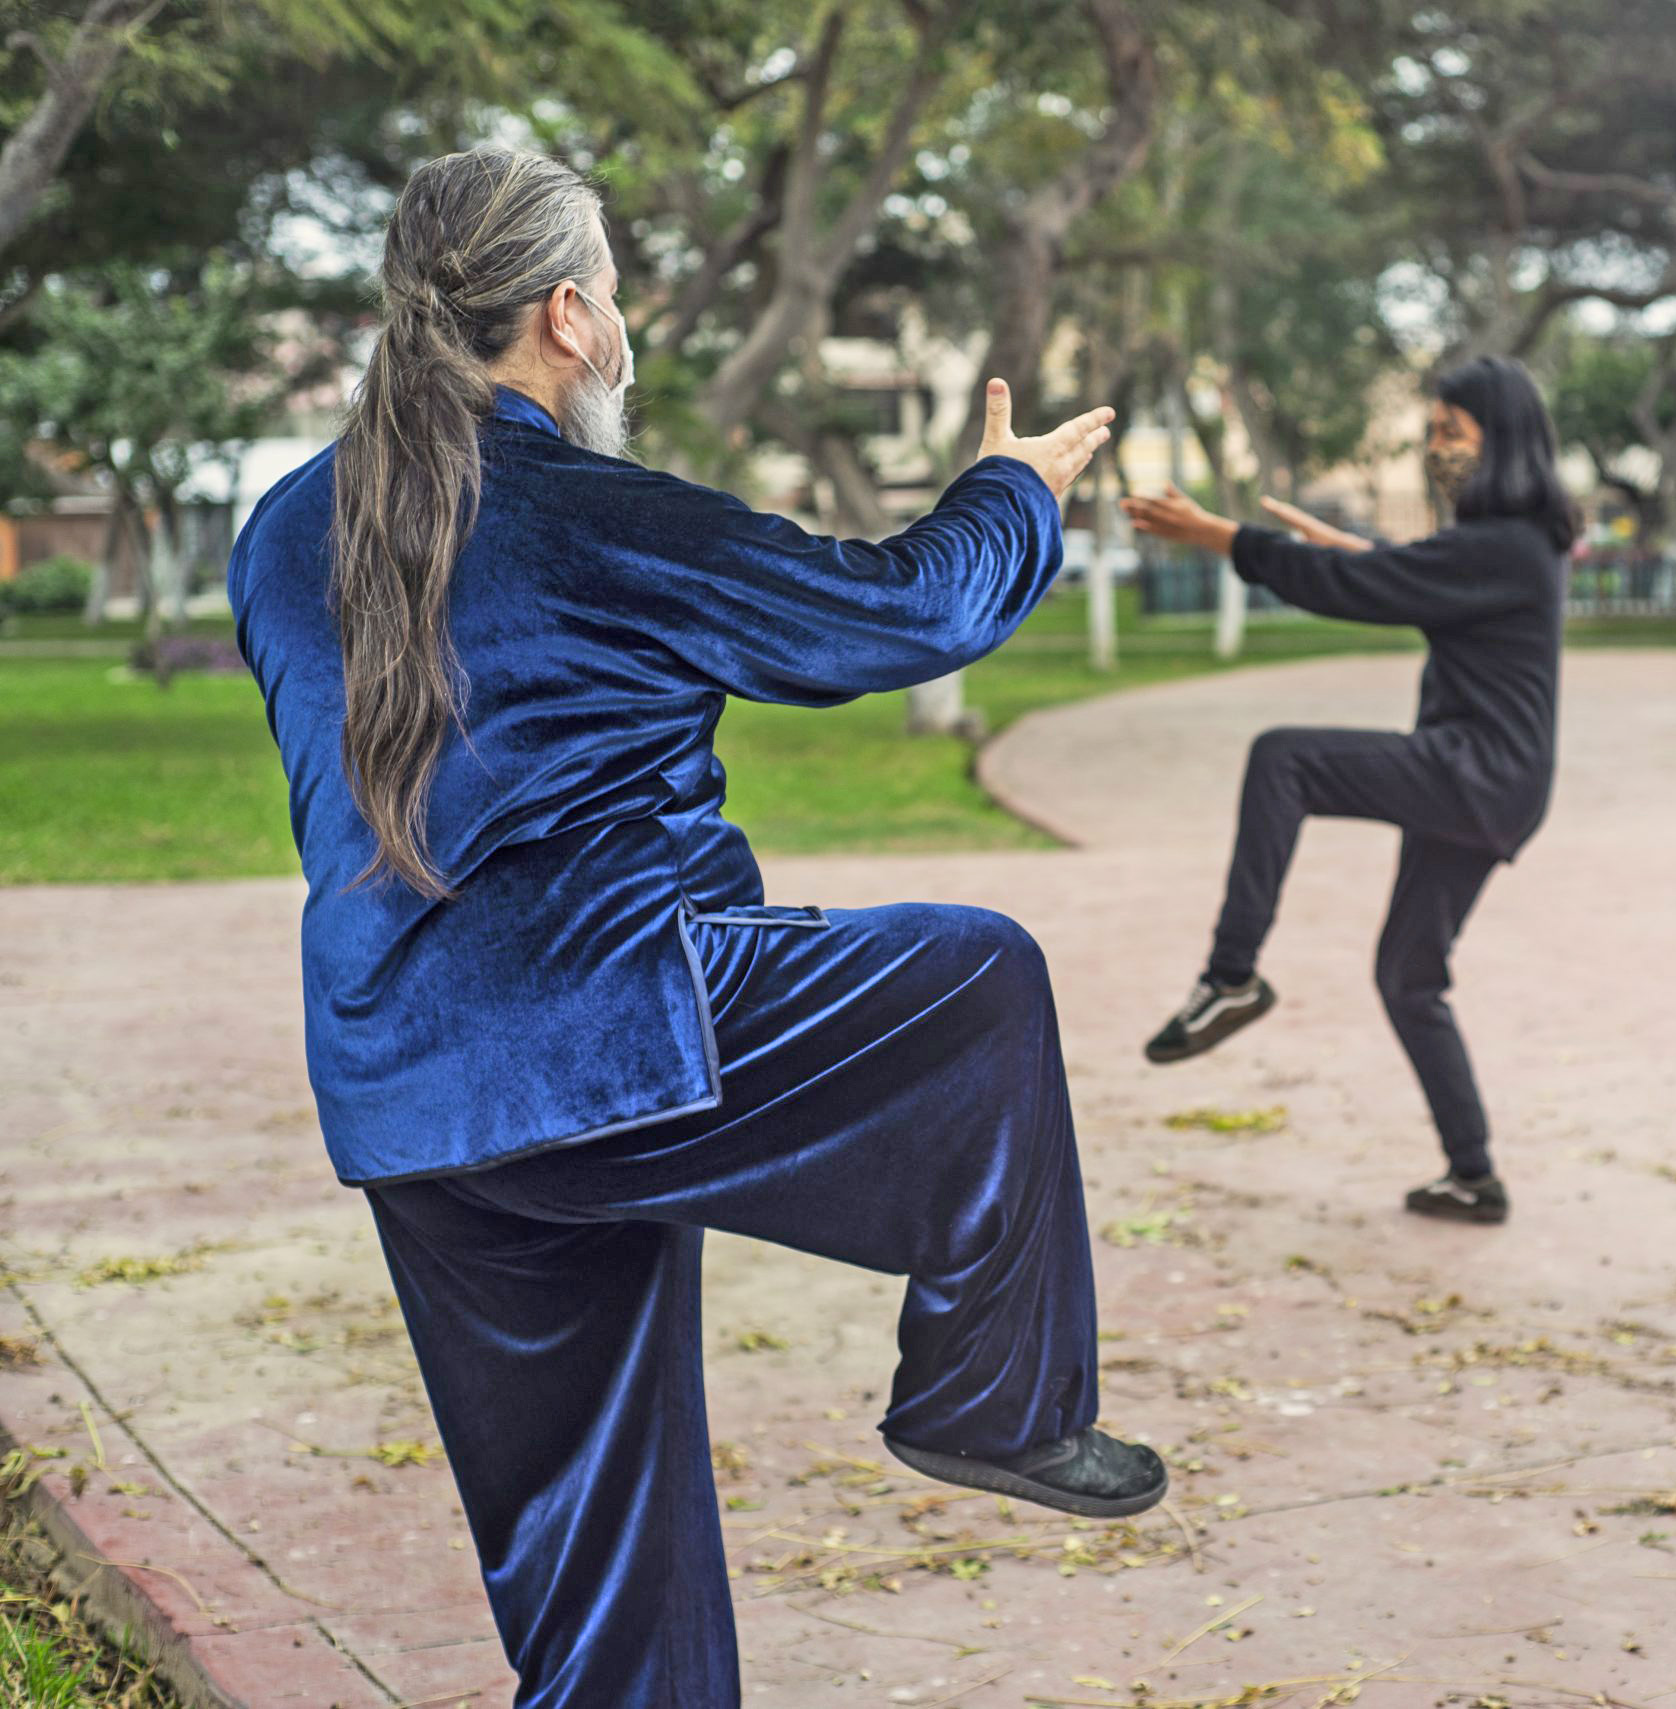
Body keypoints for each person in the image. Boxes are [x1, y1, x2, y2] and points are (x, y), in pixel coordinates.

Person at [227, 148, 1160, 1708]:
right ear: (571, 314)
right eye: (618, 296)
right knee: (983, 981)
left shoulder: (273, 535)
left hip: (406, 1096)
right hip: (605, 1040)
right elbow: (904, 610)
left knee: (597, 1561)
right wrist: (1016, 491)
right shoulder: (587, 512)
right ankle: (991, 1403)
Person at [1121, 356, 1575, 1225]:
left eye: (1452, 432)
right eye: (1433, 431)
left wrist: (1222, 536)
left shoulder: (1507, 545)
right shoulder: (1517, 544)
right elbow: (1407, 576)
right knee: (1408, 976)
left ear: (1503, 439)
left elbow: (1369, 589)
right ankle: (1473, 1176)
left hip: (1476, 772)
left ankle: (1232, 975)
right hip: (1492, 779)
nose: (1435, 448)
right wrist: (1360, 556)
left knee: (1284, 759)